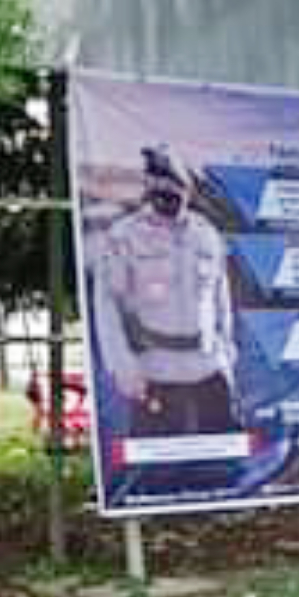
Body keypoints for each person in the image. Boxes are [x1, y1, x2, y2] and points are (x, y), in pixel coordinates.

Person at [92, 146, 240, 438]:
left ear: (187, 188)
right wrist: (123, 366)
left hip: (208, 369)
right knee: (157, 467)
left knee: (225, 459)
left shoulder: (206, 234)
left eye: (176, 188)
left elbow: (220, 297)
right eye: (160, 187)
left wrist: (226, 350)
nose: (169, 195)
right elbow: (107, 306)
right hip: (154, 371)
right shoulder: (125, 236)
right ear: (150, 187)